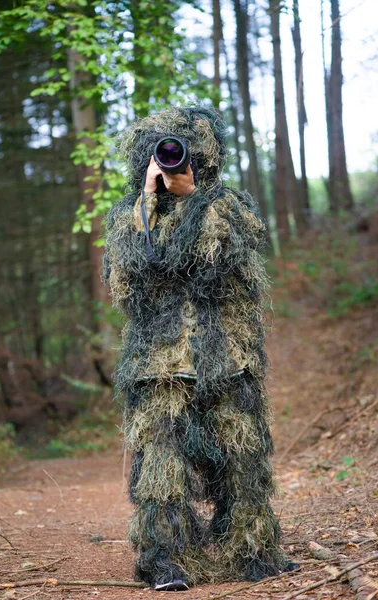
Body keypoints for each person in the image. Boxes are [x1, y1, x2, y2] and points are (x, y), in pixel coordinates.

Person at [103, 105, 297, 591]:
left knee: (243, 456)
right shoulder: (131, 217)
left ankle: (253, 550)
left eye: (178, 153)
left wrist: (194, 198)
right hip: (161, 364)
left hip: (228, 359)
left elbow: (230, 255)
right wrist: (149, 202)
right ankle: (162, 559)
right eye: (162, 155)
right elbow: (127, 285)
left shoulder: (228, 205)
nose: (171, 161)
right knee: (161, 465)